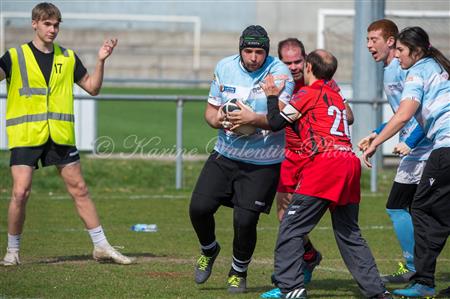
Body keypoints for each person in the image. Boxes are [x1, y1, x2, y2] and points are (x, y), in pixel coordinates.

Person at [0, 2, 135, 266]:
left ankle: (101, 246)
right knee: (20, 193)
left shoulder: (68, 57)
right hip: (26, 135)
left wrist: (101, 60)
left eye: (56, 24)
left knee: (80, 189)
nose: (53, 29)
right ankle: (12, 251)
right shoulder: (14, 57)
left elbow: (93, 88)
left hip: (59, 135)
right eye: (47, 24)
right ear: (35, 24)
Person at [260, 49, 391, 299]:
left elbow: (276, 123)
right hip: (349, 162)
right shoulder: (336, 95)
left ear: (309, 67)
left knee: (291, 226)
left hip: (326, 163)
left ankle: (291, 288)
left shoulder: (308, 93)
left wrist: (271, 97)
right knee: (349, 232)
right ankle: (377, 291)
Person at [188, 25, 294, 293]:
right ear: (240, 50)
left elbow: (279, 119)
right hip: (225, 154)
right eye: (248, 51)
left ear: (266, 52)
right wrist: (221, 119)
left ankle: (238, 271)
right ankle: (209, 249)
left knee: (245, 221)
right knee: (198, 209)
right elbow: (210, 113)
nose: (254, 57)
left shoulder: (279, 72)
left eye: (259, 52)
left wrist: (252, 120)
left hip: (263, 161)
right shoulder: (224, 67)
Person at [363, 26, 450, 298]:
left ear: (416, 51)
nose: (397, 55)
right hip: (441, 146)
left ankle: (422, 279)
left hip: (443, 149)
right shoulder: (437, 67)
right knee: (436, 212)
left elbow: (403, 115)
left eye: (400, 50)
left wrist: (376, 143)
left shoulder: (417, 71)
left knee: (422, 210)